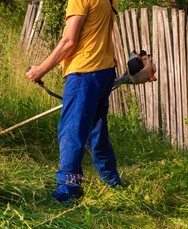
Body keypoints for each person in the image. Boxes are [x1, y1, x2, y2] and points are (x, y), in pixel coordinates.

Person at [26, 0, 121, 203]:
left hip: (85, 72)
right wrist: (65, 60)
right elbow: (91, 34)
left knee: (71, 130)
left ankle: (67, 191)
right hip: (104, 71)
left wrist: (40, 70)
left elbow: (68, 41)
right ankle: (112, 184)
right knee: (96, 132)